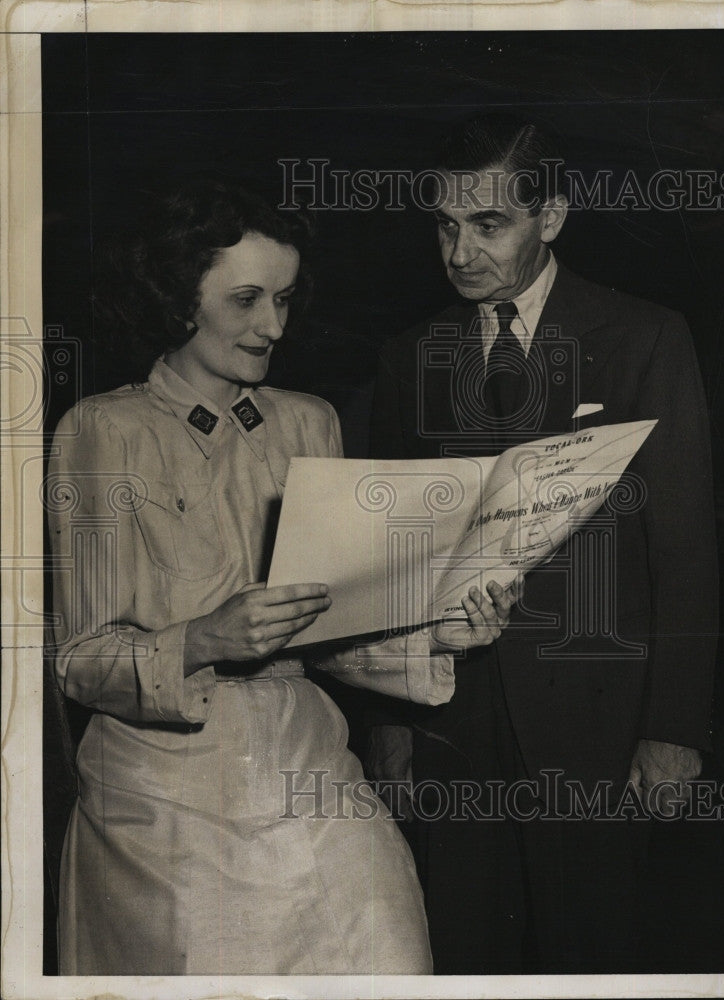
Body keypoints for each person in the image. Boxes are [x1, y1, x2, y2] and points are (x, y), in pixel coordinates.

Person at [47, 178, 513, 975]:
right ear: (175, 299)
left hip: (312, 771)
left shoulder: (309, 422)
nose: (273, 326)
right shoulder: (102, 430)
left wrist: (439, 630)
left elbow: (336, 634)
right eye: (246, 300)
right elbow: (82, 658)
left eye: (286, 299)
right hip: (163, 796)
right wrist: (200, 638)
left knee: (389, 954)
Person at [367, 115, 719, 973]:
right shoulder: (408, 357)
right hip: (450, 724)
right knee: (460, 952)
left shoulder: (644, 337)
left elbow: (683, 550)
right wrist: (388, 729)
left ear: (550, 216)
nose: (459, 253)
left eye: (488, 225)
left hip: (598, 727)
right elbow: (385, 561)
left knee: (591, 953)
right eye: (445, 226)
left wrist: (673, 731)